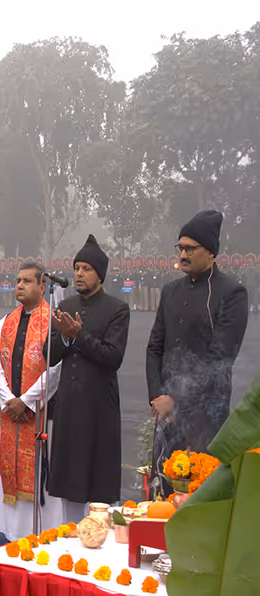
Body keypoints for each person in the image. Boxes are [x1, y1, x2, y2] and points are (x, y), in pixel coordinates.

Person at [147, 210, 249, 494]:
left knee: (196, 499)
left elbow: (220, 360)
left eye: (190, 248)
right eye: (180, 248)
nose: (182, 254)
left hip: (205, 419)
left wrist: (175, 399)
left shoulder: (232, 293)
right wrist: (157, 396)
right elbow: (154, 348)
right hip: (167, 416)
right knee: (162, 494)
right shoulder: (169, 291)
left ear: (211, 253)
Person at [46, 235, 130, 521]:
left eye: (86, 269)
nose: (79, 274)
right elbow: (50, 354)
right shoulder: (66, 305)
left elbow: (112, 357)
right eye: (77, 268)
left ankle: (95, 538)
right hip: (68, 406)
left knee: (96, 486)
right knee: (71, 485)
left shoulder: (117, 309)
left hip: (98, 409)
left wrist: (77, 335)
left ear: (100, 275)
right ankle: (68, 534)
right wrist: (65, 339)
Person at [0, 261, 64, 540]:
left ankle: (42, 533)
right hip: (11, 413)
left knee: (40, 478)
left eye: (27, 281)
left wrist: (28, 401)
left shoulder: (52, 320)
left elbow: (55, 369)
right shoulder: (5, 322)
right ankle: (12, 534)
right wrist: (9, 400)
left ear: (43, 286)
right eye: (18, 280)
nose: (20, 285)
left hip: (40, 415)